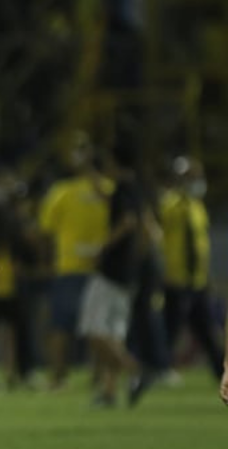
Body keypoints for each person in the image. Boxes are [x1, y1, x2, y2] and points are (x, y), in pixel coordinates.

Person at [77, 139, 155, 407]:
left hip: (112, 271)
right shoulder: (135, 188)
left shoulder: (124, 189)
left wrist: (103, 247)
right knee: (113, 334)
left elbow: (128, 222)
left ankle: (137, 371)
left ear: (115, 161)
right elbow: (144, 225)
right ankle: (110, 393)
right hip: (129, 272)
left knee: (94, 330)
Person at [37, 131, 115, 390]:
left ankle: (64, 378)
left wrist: (47, 262)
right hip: (82, 269)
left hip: (83, 269)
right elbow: (46, 233)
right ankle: (74, 377)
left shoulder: (63, 192)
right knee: (89, 327)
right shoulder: (106, 190)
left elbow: (45, 233)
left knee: (71, 327)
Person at [159, 156, 224, 382]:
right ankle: (156, 369)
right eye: (190, 177)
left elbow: (200, 245)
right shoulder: (169, 204)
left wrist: (207, 276)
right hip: (176, 278)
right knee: (171, 329)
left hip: (197, 280)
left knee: (206, 331)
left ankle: (222, 374)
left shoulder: (198, 208)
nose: (196, 181)